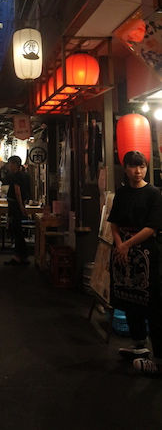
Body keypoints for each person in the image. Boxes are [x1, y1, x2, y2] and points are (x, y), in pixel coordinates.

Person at [108, 150, 162, 376]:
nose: (138, 171)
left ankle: (159, 357)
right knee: (129, 297)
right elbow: (114, 222)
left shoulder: (154, 193)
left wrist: (126, 246)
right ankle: (139, 345)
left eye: (142, 167)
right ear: (125, 168)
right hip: (123, 251)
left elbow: (153, 226)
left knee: (152, 303)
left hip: (147, 251)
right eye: (133, 166)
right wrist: (120, 243)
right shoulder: (121, 192)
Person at [3, 155, 30, 266]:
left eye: (10, 163)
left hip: (15, 205)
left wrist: (20, 206)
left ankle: (19, 256)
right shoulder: (22, 175)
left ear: (14, 164)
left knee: (16, 229)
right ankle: (22, 255)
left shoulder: (16, 176)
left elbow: (17, 191)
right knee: (17, 230)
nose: (9, 166)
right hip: (16, 204)